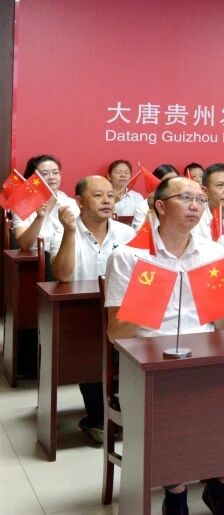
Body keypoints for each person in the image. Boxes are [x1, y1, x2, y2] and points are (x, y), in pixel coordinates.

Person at [105, 175, 224, 515]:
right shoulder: (130, 256)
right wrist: (148, 296)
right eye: (186, 198)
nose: (195, 206)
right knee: (174, 407)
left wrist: (219, 302)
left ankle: (221, 487)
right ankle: (176, 493)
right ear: (161, 206)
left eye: (200, 200)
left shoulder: (213, 253)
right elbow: (116, 334)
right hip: (148, 361)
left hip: (205, 356)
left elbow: (221, 324)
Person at [50, 176, 135, 445]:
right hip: (81, 315)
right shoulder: (64, 231)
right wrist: (70, 232)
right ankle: (99, 417)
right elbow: (62, 275)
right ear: (79, 201)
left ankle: (119, 412)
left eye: (110, 195)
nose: (107, 200)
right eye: (98, 195)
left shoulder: (127, 234)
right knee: (89, 353)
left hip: (118, 312)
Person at [13, 154, 80, 252]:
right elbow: (24, 244)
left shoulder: (70, 203)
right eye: (44, 174)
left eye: (56, 173)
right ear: (32, 179)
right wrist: (39, 218)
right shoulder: (21, 205)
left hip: (65, 256)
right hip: (35, 258)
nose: (52, 177)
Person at [130, 163, 178, 230]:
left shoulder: (185, 202)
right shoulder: (143, 206)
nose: (172, 184)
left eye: (175, 180)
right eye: (166, 181)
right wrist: (151, 209)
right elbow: (141, 233)